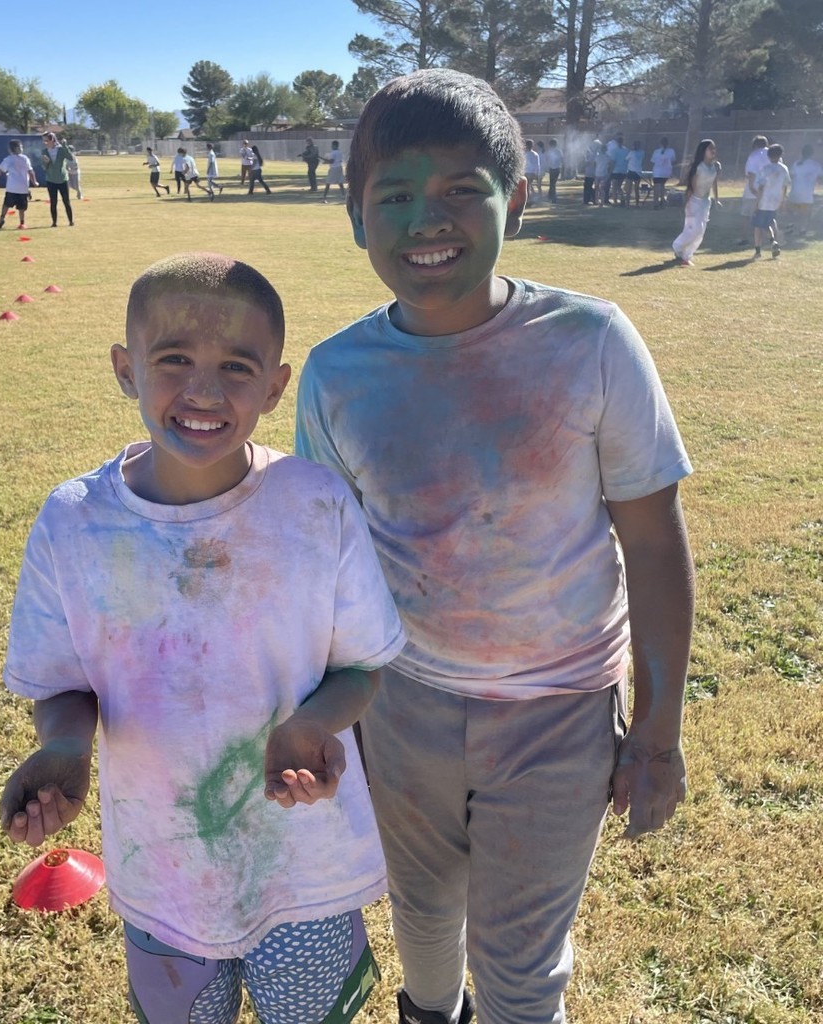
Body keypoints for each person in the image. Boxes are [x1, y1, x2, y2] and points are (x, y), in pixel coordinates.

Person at [295, 69, 694, 1024]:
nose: (426, 219)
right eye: (393, 196)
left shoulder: (592, 340)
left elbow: (652, 539)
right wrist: (330, 712)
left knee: (521, 967)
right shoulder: (337, 374)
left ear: (514, 199)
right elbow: (329, 563)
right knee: (424, 920)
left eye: (460, 191)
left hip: (556, 715)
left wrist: (659, 727)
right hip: (404, 706)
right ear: (355, 218)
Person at [0, 252, 405, 1024]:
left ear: (276, 386)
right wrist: (62, 749)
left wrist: (311, 724)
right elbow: (60, 682)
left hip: (302, 866)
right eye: (173, 359)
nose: (204, 390)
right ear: (125, 368)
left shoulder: (315, 505)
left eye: (237, 367)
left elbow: (362, 666)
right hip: (163, 872)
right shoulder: (75, 520)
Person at [672, 138, 722, 266]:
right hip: (694, 202)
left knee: (700, 232)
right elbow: (691, 188)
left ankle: (685, 255)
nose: (713, 151)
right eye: (710, 148)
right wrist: (685, 204)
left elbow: (714, 183)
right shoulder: (698, 167)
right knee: (695, 230)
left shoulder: (714, 166)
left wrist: (717, 199)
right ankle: (679, 248)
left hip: (706, 202)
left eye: (714, 148)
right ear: (703, 151)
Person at [752, 143, 790, 259]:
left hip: (764, 200)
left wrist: (757, 203)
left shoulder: (765, 169)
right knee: (770, 221)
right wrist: (782, 201)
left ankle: (764, 247)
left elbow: (761, 187)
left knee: (759, 226)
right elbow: (785, 186)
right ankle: (770, 243)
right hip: (775, 200)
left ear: (768, 156)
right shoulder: (784, 169)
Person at [0, 139, 38, 230]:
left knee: (6, 204)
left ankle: (2, 219)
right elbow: (31, 172)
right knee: (22, 208)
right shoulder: (25, 158)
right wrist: (34, 182)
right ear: (17, 148)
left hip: (12, 187)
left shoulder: (8, 159)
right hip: (23, 187)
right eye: (21, 147)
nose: (22, 148)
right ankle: (22, 223)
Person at [740, 135, 769, 246]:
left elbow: (750, 173)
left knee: (746, 215)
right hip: (768, 191)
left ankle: (745, 238)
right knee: (767, 216)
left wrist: (752, 188)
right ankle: (769, 239)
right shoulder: (772, 154)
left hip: (752, 191)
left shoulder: (753, 155)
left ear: (755, 145)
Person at [787, 143, 822, 237]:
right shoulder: (815, 165)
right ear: (812, 154)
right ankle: (802, 229)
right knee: (805, 214)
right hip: (807, 194)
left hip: (794, 192)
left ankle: (791, 225)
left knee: (791, 210)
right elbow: (820, 176)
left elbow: (791, 176)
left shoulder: (797, 163)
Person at [41, 131, 74, 227]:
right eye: (44, 141)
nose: (45, 143)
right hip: (51, 180)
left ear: (52, 140)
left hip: (63, 179)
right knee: (53, 202)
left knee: (66, 201)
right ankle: (54, 222)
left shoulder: (61, 149)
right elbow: (44, 167)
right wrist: (46, 163)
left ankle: (71, 221)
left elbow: (70, 157)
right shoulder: (44, 151)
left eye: (46, 141)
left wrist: (65, 146)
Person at [650, 137, 676, 209]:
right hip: (666, 172)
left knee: (656, 187)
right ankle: (662, 200)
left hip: (657, 172)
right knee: (662, 186)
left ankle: (656, 203)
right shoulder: (671, 151)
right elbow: (673, 160)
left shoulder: (656, 151)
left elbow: (653, 161)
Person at [608, 134, 629, 205]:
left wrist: (610, 171)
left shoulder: (614, 150)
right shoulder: (626, 150)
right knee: (619, 186)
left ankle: (615, 201)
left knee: (614, 187)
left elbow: (613, 162)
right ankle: (622, 197)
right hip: (623, 170)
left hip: (616, 170)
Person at [624, 139, 646, 207]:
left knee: (628, 189)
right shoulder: (642, 152)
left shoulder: (631, 152)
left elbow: (626, 159)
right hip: (638, 172)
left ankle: (627, 204)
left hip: (631, 171)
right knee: (636, 189)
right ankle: (637, 204)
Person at [545, 138, 563, 203]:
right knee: (552, 183)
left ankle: (553, 198)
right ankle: (550, 196)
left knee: (552, 184)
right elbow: (561, 159)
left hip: (552, 169)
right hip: (557, 169)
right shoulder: (559, 151)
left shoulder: (550, 151)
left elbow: (547, 159)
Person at [593, 143, 611, 207]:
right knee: (602, 189)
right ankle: (601, 202)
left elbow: (594, 164)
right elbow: (609, 166)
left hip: (597, 173)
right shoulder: (607, 157)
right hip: (603, 174)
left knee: (597, 188)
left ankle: (596, 201)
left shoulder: (597, 156)